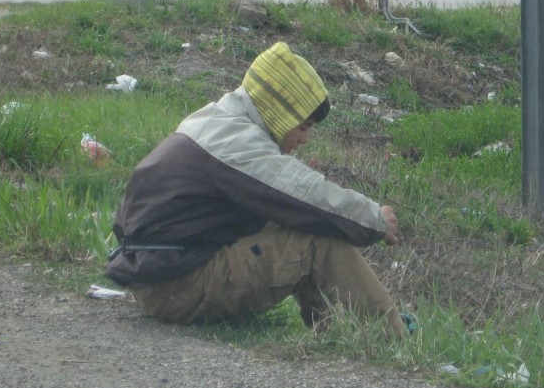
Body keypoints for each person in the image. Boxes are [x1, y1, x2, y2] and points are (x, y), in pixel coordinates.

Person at [104, 41, 408, 337]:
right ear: (280, 112)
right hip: (180, 288)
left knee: (295, 220)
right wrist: (376, 221)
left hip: (159, 277)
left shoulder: (215, 121)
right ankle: (387, 340)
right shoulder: (239, 145)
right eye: (302, 127)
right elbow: (310, 196)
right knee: (318, 238)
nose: (303, 139)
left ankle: (339, 332)